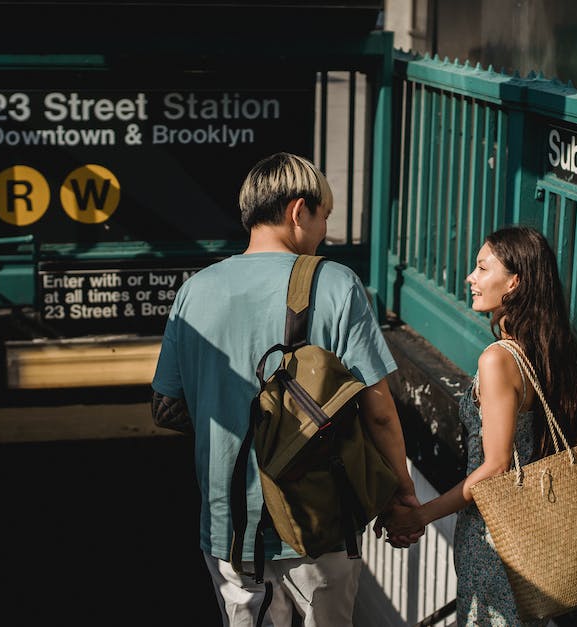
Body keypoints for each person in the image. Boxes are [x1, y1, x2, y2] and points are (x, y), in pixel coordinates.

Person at [150, 152, 422, 626]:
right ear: (300, 211)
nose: (324, 233)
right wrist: (401, 493)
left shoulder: (195, 290)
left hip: (228, 525)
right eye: (324, 218)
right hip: (320, 520)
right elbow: (378, 412)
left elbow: (166, 407)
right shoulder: (337, 284)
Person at [382, 226, 577, 626]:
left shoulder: (498, 360)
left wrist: (420, 516)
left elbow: (495, 468)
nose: (470, 278)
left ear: (514, 283)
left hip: (494, 538)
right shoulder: (545, 351)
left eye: (481, 268)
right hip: (533, 534)